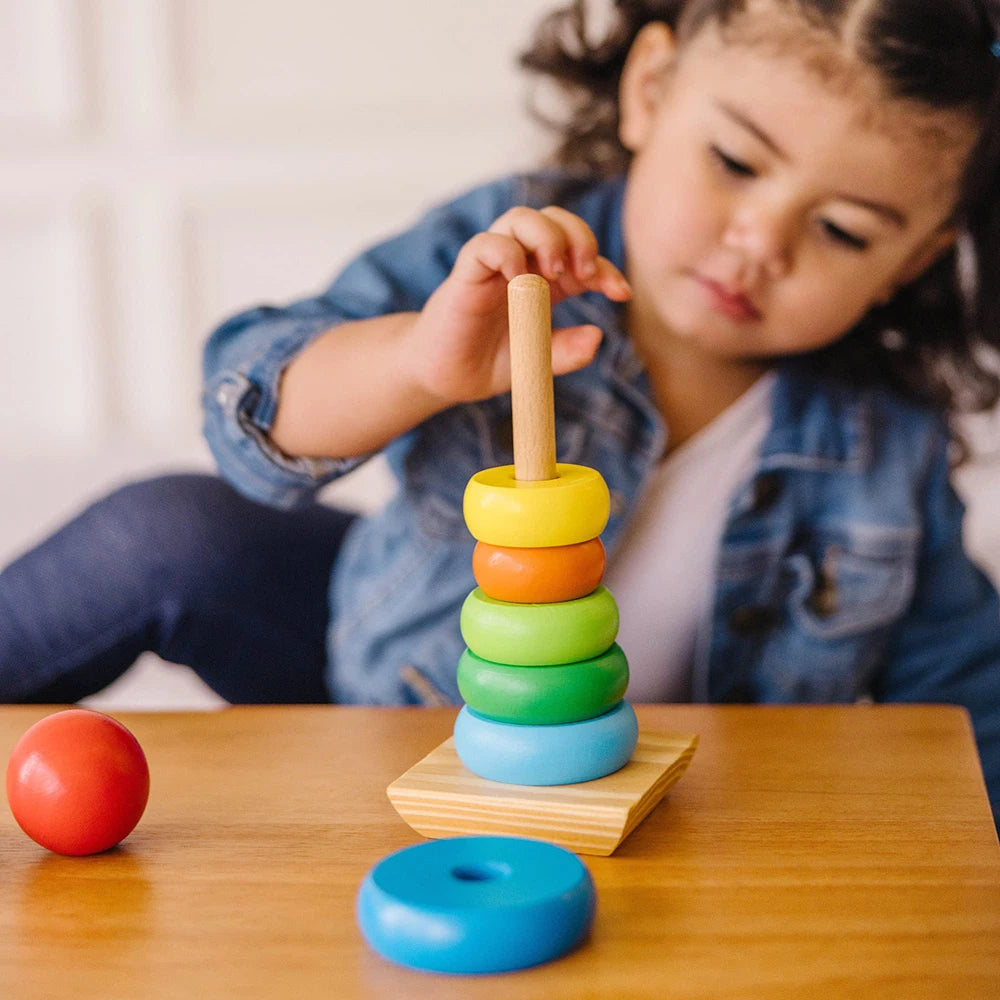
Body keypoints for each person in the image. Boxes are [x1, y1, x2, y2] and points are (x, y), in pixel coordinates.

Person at [2, 0, 999, 823]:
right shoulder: (506, 254)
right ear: (649, 91)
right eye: (734, 163)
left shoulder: (888, 439)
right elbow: (255, 409)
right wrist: (417, 362)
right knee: (167, 530)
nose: (756, 243)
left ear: (910, 260)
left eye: (840, 229)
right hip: (403, 694)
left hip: (674, 791)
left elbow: (967, 690)